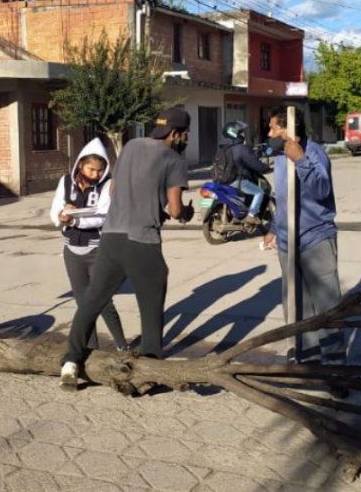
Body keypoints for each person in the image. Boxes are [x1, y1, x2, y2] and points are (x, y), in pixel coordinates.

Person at [60, 108, 194, 389]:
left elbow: (113, 190)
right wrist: (186, 213)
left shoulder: (131, 146)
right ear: (175, 134)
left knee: (92, 301)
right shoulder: (174, 159)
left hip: (111, 237)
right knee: (151, 307)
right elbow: (175, 208)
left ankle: (70, 362)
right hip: (142, 241)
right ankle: (149, 371)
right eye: (185, 134)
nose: (185, 139)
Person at [262, 108, 345, 364]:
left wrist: (300, 160)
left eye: (273, 128)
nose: (269, 133)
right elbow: (283, 199)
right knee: (297, 305)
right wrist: (274, 229)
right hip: (288, 243)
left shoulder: (314, 153)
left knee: (327, 306)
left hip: (315, 239)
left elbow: (322, 189)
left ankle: (335, 364)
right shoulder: (279, 159)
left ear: (288, 129)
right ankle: (306, 358)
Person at [49, 138, 129, 352]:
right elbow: (55, 209)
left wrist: (75, 220)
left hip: (97, 250)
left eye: (99, 170)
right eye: (91, 169)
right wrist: (61, 215)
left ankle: (122, 345)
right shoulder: (66, 182)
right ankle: (92, 348)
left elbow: (102, 216)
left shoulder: (107, 185)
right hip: (72, 251)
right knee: (83, 303)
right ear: (80, 164)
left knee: (103, 301)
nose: (95, 174)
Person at [217, 120, 271, 227]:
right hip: (236, 180)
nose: (243, 134)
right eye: (241, 132)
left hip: (221, 180)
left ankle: (240, 214)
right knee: (259, 192)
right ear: (234, 133)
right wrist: (265, 168)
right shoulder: (241, 148)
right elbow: (254, 163)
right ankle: (251, 215)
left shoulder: (222, 148)